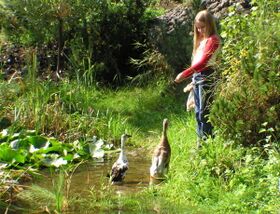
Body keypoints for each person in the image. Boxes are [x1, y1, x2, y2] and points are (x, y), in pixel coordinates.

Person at [174, 10, 221, 146]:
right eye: (198, 27)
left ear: (210, 25)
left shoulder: (214, 40)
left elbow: (204, 63)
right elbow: (196, 62)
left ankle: (207, 145)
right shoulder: (202, 41)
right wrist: (191, 77)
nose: (200, 30)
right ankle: (200, 144)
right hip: (198, 78)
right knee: (197, 113)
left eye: (203, 27)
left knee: (204, 114)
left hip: (206, 78)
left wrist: (184, 74)